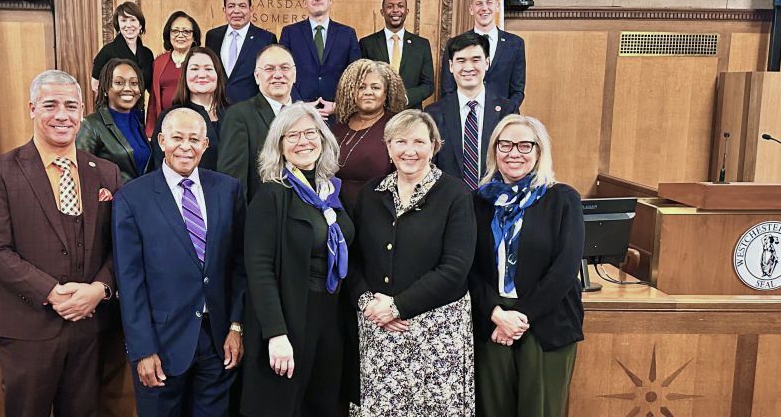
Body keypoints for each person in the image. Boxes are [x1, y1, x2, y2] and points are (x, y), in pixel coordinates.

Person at [0, 69, 121, 416]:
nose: (61, 115)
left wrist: (100, 289)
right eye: (50, 105)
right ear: (32, 108)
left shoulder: (105, 172)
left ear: (82, 111)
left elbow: (122, 246)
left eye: (71, 106)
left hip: (89, 325)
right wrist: (52, 293)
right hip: (27, 327)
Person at [114, 108, 247, 416]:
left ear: (205, 145)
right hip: (160, 345)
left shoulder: (228, 190)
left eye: (194, 139)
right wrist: (143, 349)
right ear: (161, 141)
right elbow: (130, 279)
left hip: (218, 343)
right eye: (177, 138)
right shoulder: (133, 197)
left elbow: (240, 266)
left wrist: (237, 327)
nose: (186, 146)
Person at [348, 109, 476, 416]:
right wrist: (369, 304)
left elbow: (455, 268)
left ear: (434, 146)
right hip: (378, 326)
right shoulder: (370, 193)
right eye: (400, 141)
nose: (410, 150)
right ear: (388, 147)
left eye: (419, 141)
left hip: (436, 332)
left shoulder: (455, 194)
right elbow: (352, 259)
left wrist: (397, 306)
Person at [240, 103, 355, 417]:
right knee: (283, 406)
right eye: (292, 135)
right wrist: (276, 334)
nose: (303, 141)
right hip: (290, 317)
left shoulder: (331, 192)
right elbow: (259, 270)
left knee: (323, 404)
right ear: (279, 145)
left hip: (330, 317)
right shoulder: (272, 196)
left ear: (323, 138)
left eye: (310, 133)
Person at [469, 114, 584, 417]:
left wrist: (519, 317)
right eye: (505, 145)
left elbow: (565, 268)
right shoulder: (479, 202)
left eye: (524, 145)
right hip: (492, 322)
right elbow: (469, 268)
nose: (514, 153)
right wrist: (496, 313)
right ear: (494, 151)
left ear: (539, 151)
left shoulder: (562, 199)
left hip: (546, 322)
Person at [429, 34, 515, 192]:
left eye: (476, 60)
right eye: (461, 61)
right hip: (449, 205)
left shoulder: (507, 110)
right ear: (450, 66)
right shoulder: (433, 114)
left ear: (487, 63)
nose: (468, 68)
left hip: (496, 203)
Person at [219, 44, 297, 200]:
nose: (278, 75)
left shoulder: (305, 116)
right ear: (256, 76)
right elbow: (233, 180)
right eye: (269, 69)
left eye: (284, 68)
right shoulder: (239, 115)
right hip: (263, 215)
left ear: (294, 74)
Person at [279, 0, 361, 121]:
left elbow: (355, 75)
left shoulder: (347, 33)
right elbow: (282, 71)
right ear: (304, 2)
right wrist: (300, 105)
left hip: (338, 115)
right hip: (299, 114)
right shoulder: (290, 33)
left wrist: (338, 105)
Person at [329, 60, 406, 207]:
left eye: (375, 87)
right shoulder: (338, 128)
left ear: (386, 93)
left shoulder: (397, 127)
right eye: (361, 87)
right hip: (338, 214)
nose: (368, 92)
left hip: (378, 212)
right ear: (352, 91)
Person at [440, 0, 526, 110]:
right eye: (479, 4)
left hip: (503, 119)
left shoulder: (515, 44)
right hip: (467, 117)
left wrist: (504, 111)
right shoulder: (455, 43)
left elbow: (517, 91)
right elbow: (448, 88)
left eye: (489, 3)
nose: (484, 8)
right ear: (471, 9)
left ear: (497, 6)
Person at [150, 47, 228, 171]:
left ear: (218, 74)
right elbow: (159, 165)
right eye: (194, 69)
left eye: (208, 69)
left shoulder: (235, 114)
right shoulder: (171, 116)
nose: (202, 75)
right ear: (184, 75)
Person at [78, 58, 154, 182]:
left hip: (142, 198)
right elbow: (82, 173)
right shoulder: (90, 125)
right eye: (119, 82)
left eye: (134, 83)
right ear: (106, 89)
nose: (128, 88)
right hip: (113, 199)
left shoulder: (138, 123)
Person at [358, 0, 435, 109]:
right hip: (377, 113)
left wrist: (404, 97)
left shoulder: (421, 45)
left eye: (400, 6)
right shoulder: (367, 43)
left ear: (407, 11)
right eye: (390, 6)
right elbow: (361, 81)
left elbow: (428, 85)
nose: (395, 10)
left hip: (410, 115)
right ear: (382, 12)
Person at [206, 0, 279, 104]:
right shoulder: (213, 36)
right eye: (231, 6)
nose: (236, 11)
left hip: (251, 110)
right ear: (224, 10)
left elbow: (270, 78)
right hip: (217, 108)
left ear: (251, 9)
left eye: (242, 6)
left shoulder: (266, 39)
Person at [147, 11, 202, 137]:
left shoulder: (201, 60)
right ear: (169, 34)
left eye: (186, 31)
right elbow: (153, 101)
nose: (180, 35)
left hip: (194, 125)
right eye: (175, 31)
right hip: (166, 127)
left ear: (194, 36)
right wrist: (150, 132)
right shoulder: (159, 62)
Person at [93, 2, 155, 99]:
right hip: (113, 109)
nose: (128, 25)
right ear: (118, 24)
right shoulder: (107, 51)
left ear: (140, 25)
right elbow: (95, 84)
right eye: (123, 20)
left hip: (138, 109)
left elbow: (150, 86)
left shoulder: (147, 54)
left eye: (133, 20)